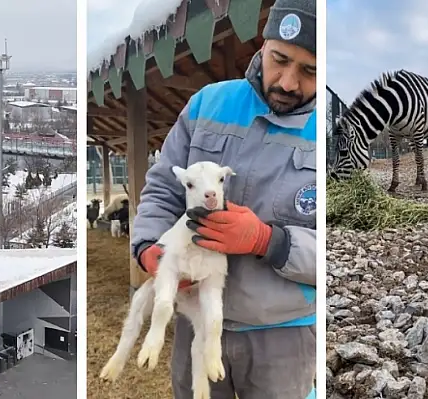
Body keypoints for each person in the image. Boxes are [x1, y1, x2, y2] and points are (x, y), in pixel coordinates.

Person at [130, 0, 317, 397]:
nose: (286, 82)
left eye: (309, 71)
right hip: (195, 321)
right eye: (279, 59)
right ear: (263, 45)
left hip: (281, 336)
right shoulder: (207, 104)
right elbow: (163, 187)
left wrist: (269, 241)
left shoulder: (333, 130)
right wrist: (148, 246)